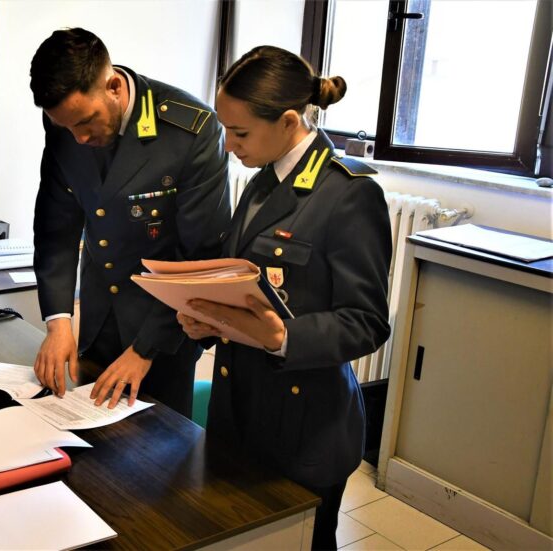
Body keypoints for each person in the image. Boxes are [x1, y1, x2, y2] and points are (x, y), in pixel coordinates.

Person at [177, 46, 392, 550]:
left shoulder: (349, 193)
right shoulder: (263, 179)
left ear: (289, 121)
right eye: (225, 129)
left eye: (240, 132)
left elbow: (366, 321)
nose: (228, 145)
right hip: (240, 414)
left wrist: (283, 337)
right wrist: (211, 320)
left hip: (304, 425)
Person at [28, 28, 230, 418]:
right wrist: (58, 321)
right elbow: (55, 226)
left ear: (114, 87)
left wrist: (145, 349)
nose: (79, 138)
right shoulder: (65, 123)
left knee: (161, 442)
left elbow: (198, 257)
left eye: (86, 122)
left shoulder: (191, 131)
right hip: (99, 316)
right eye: (67, 127)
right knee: (89, 434)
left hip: (166, 326)